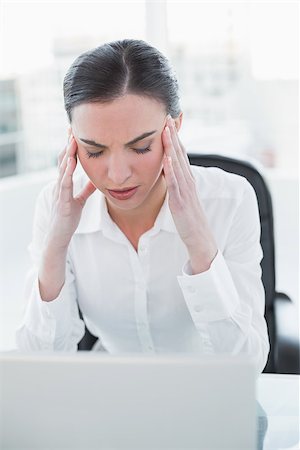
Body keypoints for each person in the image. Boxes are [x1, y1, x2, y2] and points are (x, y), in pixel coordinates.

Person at [16, 39, 269, 373]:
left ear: (173, 128)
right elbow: (38, 366)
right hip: (111, 395)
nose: (118, 175)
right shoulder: (57, 208)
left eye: (140, 147)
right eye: (94, 151)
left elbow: (247, 367)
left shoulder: (230, 200)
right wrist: (57, 245)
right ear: (72, 141)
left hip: (206, 396)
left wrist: (198, 241)